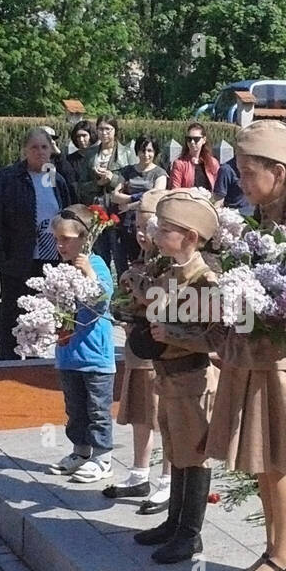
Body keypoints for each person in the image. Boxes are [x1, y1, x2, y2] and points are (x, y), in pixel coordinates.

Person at [207, 120, 286, 571]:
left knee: (281, 459)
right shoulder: (257, 225)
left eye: (249, 172)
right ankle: (273, 548)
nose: (241, 181)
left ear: (279, 171)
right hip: (254, 353)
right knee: (262, 458)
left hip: (280, 360)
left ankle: (283, 555)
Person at [138, 190, 223, 564]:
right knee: (175, 451)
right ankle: (174, 522)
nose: (157, 234)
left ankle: (190, 533)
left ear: (190, 236)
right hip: (169, 378)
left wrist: (172, 336)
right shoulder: (168, 273)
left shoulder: (206, 281)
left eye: (166, 229)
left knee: (194, 456)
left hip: (193, 380)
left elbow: (217, 339)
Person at [0, 127, 78, 361]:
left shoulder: (55, 179)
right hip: (19, 259)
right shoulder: (9, 177)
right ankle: (8, 362)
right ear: (25, 150)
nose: (40, 152)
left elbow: (69, 213)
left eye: (44, 147)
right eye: (34, 147)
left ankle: (36, 361)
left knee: (44, 316)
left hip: (51, 260)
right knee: (14, 315)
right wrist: (1, 258)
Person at [108, 189, 172, 513]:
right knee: (139, 411)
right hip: (137, 345)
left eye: (148, 226)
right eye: (137, 225)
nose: (141, 233)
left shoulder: (172, 262)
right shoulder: (141, 259)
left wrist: (137, 286)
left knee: (164, 415)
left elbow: (163, 300)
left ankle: (168, 479)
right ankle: (139, 471)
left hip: (163, 350)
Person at [47, 205, 116, 485]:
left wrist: (88, 272)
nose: (60, 244)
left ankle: (103, 457)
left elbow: (102, 300)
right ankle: (80, 451)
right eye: (57, 239)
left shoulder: (95, 265)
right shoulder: (62, 268)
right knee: (75, 409)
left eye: (66, 239)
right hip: (68, 353)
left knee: (97, 409)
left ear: (84, 239)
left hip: (95, 355)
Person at [78, 116, 136, 268]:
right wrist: (97, 183)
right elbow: (80, 186)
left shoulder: (127, 153)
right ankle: (103, 289)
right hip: (96, 211)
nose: (104, 133)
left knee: (120, 256)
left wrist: (113, 178)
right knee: (99, 256)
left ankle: (123, 290)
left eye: (108, 129)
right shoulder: (90, 154)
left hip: (118, 211)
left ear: (115, 131)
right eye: (101, 129)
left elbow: (134, 183)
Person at [111, 134, 168, 275]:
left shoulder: (159, 173)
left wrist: (129, 205)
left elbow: (155, 197)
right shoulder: (127, 171)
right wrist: (133, 198)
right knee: (128, 263)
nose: (146, 154)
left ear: (155, 153)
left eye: (150, 151)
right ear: (137, 151)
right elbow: (115, 196)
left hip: (149, 225)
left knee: (148, 263)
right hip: (127, 224)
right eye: (143, 150)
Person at [168, 123, 220, 191]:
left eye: (196, 139)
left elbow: (219, 188)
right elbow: (175, 190)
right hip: (187, 200)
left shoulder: (213, 163)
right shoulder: (179, 164)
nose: (192, 142)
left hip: (208, 200)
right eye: (189, 139)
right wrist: (191, 191)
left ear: (204, 140)